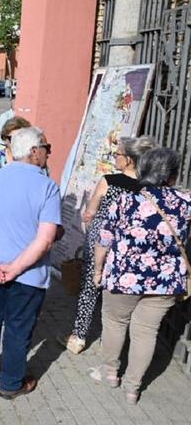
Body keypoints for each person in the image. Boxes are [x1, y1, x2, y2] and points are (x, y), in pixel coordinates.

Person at [89, 148, 191, 404]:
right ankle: (133, 388)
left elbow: (104, 239)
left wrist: (98, 269)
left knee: (114, 323)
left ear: (143, 171)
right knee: (147, 331)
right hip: (166, 282)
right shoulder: (187, 203)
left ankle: (110, 373)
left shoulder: (126, 200)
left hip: (124, 277)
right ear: (174, 174)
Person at [0, 126, 61, 399]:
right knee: (19, 327)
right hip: (27, 274)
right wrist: (16, 268)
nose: (47, 153)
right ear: (34, 152)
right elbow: (45, 239)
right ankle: (11, 382)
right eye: (46, 147)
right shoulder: (47, 186)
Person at [60, 136, 156, 354]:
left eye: (118, 154)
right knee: (119, 295)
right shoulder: (148, 187)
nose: (116, 157)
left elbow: (90, 212)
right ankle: (110, 340)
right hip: (128, 247)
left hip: (100, 241)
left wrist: (88, 215)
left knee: (89, 289)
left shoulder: (109, 181)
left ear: (130, 160)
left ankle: (78, 337)